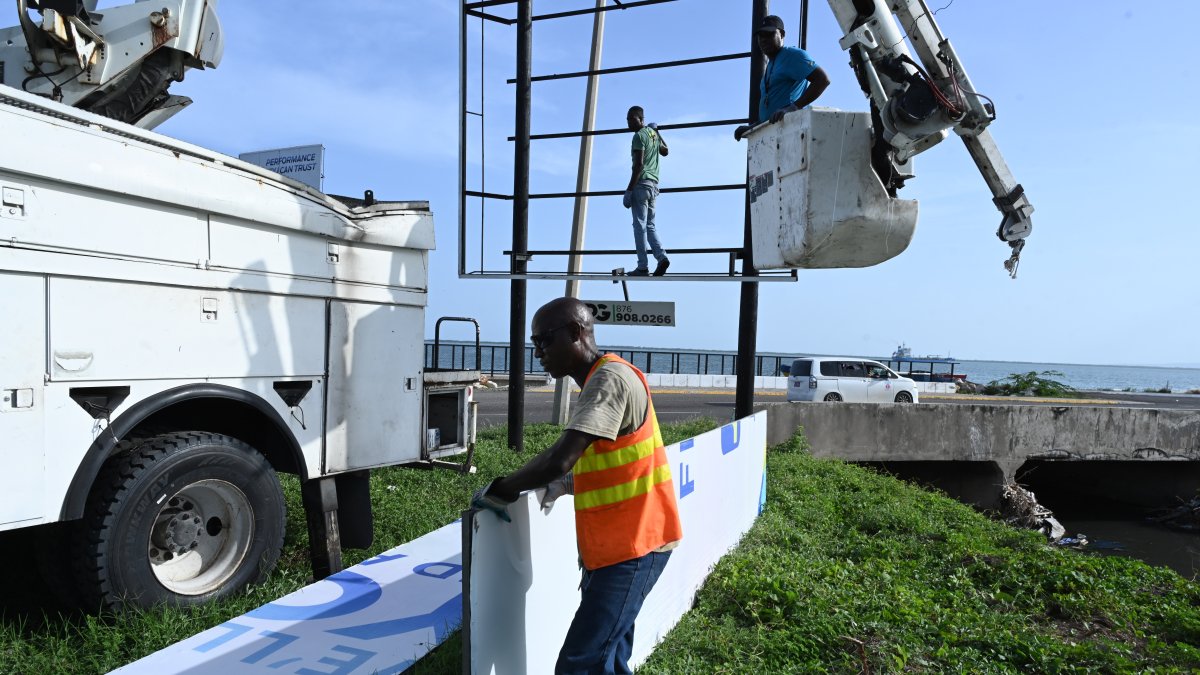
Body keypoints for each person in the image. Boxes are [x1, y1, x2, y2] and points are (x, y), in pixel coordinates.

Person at [472, 297, 683, 675]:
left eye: (544, 340)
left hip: (634, 548)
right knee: (609, 660)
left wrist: (501, 489)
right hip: (619, 549)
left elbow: (560, 458)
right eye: (534, 343)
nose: (538, 352)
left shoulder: (609, 380)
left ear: (575, 332)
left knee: (579, 665)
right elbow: (613, 461)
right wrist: (568, 484)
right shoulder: (602, 379)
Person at [734, 15, 831, 141]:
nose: (763, 39)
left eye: (769, 34)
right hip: (775, 135)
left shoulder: (793, 55)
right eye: (760, 36)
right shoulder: (771, 64)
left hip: (792, 132)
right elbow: (773, 111)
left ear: (782, 34)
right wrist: (753, 128)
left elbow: (822, 80)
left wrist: (794, 107)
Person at [623, 106, 670, 276]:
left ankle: (642, 266)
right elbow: (665, 150)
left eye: (632, 119)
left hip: (641, 185)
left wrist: (629, 190)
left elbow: (639, 165)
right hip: (654, 186)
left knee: (639, 226)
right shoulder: (652, 134)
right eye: (628, 119)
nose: (629, 122)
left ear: (641, 119)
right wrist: (657, 132)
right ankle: (662, 257)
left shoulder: (639, 136)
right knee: (650, 225)